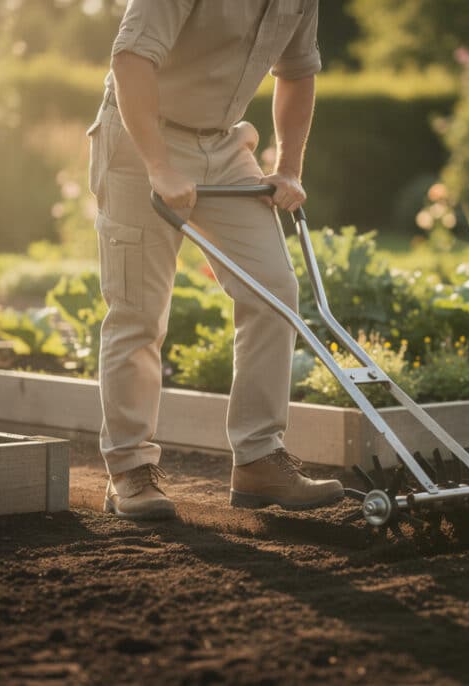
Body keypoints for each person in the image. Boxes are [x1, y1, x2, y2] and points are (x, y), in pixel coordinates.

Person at [87, 0, 343, 520]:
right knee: (138, 312)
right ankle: (130, 471)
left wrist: (288, 167)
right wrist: (159, 166)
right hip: (142, 139)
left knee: (274, 291)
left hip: (225, 147)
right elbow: (131, 59)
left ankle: (258, 459)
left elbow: (297, 73)